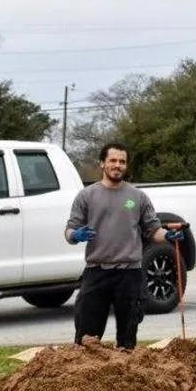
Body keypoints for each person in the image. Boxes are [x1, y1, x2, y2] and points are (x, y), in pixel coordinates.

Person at [65, 142, 184, 350]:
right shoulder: (87, 196)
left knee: (127, 340)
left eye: (122, 161)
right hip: (96, 272)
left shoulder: (137, 197)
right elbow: (69, 231)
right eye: (112, 160)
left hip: (130, 274)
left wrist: (168, 235)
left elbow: (153, 230)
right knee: (86, 340)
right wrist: (76, 234)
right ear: (102, 163)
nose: (117, 165)